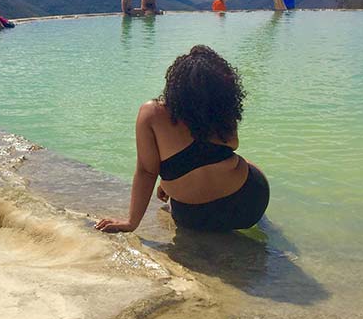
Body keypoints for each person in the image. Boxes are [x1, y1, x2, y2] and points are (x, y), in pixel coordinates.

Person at [96, 45, 269, 233]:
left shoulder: (152, 113)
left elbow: (147, 171)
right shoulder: (220, 112)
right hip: (250, 206)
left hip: (194, 217)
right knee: (240, 160)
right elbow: (232, 145)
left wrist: (131, 222)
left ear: (175, 85)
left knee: (175, 189)